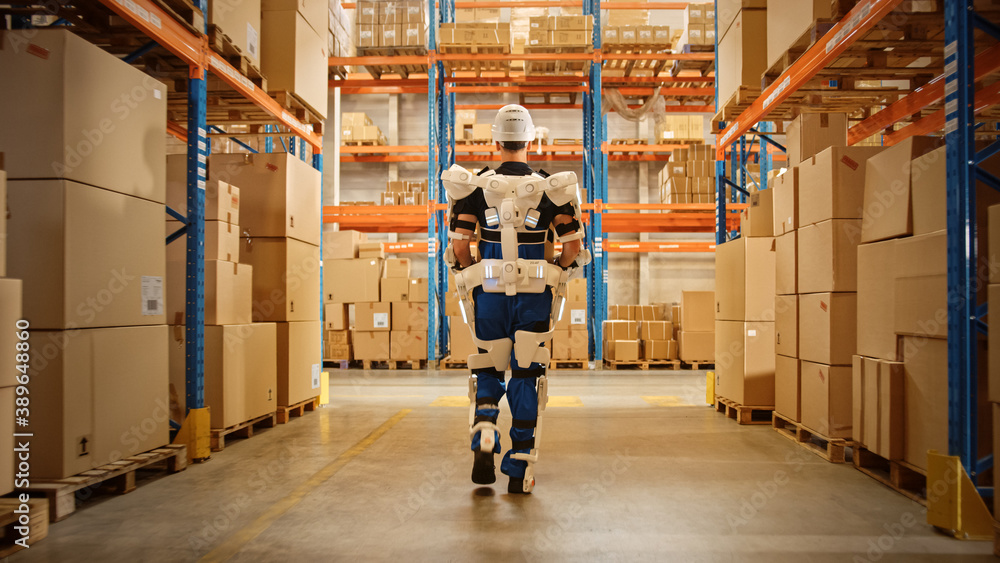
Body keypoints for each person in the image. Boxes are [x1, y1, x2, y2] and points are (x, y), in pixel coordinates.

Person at [442, 104, 589, 494]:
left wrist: (472, 273)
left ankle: (485, 435)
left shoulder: (475, 188)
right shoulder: (549, 189)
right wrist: (554, 267)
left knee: (488, 368)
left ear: (496, 139)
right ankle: (519, 470)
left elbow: (459, 247)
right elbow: (572, 248)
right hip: (535, 298)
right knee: (527, 374)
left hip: (488, 295)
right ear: (529, 139)